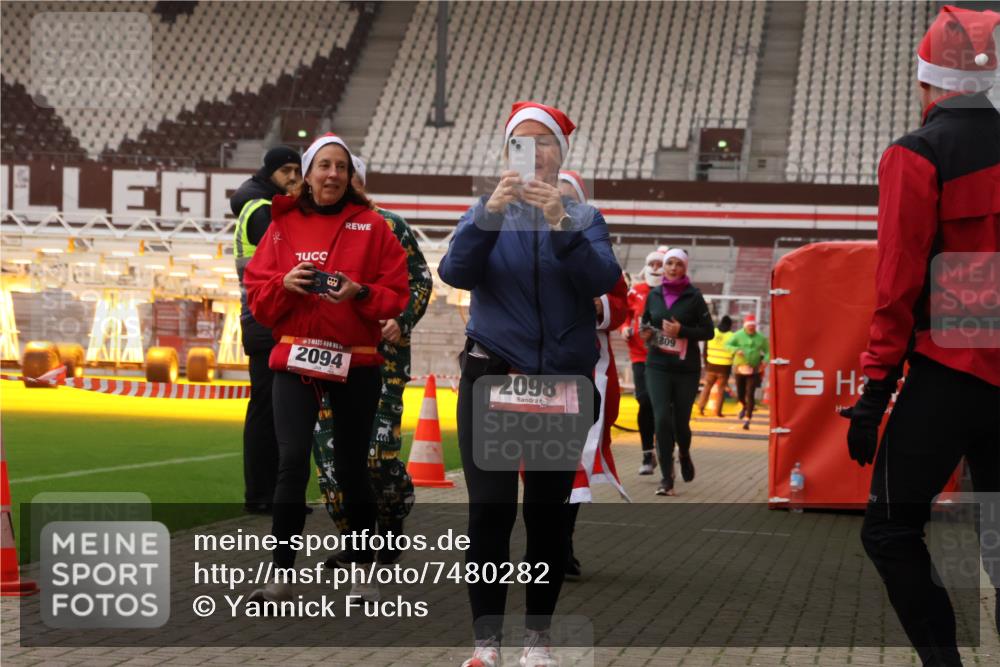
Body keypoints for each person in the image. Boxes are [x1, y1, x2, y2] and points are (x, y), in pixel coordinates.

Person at [840, 6, 1000, 664]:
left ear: (925, 82)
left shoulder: (917, 153)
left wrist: (875, 394)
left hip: (948, 373)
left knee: (890, 529)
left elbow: (899, 285)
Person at [438, 102, 621, 667]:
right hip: (494, 374)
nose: (535, 152)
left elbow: (603, 280)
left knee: (544, 514)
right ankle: (485, 645)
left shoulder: (584, 218)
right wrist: (484, 217)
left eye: (545, 143)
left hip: (559, 384)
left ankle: (537, 640)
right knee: (490, 511)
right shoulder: (486, 211)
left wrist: (561, 223)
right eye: (523, 142)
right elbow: (454, 273)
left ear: (560, 155)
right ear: (506, 154)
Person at [243, 133, 409, 602]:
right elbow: (259, 299)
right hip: (294, 356)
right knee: (291, 462)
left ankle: (361, 571)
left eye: (341, 166)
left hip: (356, 359)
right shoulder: (281, 225)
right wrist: (283, 283)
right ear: (308, 175)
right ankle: (280, 573)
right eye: (323, 166)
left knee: (353, 466)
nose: (332, 174)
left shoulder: (374, 227)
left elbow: (395, 295)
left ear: (350, 175)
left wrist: (360, 293)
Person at [314, 154, 433, 566]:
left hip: (382, 361)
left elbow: (420, 278)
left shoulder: (389, 224)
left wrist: (402, 319)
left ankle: (392, 517)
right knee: (331, 461)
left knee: (375, 455)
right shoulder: (314, 226)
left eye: (344, 173)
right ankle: (355, 539)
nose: (336, 180)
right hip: (323, 360)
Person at [558, 170, 630, 582]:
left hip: (583, 370)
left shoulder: (599, 253)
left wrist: (594, 302)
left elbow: (618, 307)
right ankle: (543, 544)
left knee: (573, 460)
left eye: (572, 199)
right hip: (532, 369)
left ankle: (560, 544)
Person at [229, 146, 301, 514]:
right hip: (266, 319)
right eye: (286, 170)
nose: (293, 177)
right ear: (270, 172)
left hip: (262, 319)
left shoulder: (258, 205)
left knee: (272, 412)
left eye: (297, 170)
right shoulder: (264, 211)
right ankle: (262, 496)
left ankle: (270, 494)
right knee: (270, 413)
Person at [639, 248, 714, 496]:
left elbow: (708, 331)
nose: (672, 268)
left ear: (684, 268)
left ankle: (683, 451)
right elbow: (646, 321)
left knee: (681, 422)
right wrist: (646, 332)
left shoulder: (694, 297)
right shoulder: (654, 294)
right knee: (661, 418)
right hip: (657, 365)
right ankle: (666, 477)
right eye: (668, 263)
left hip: (686, 369)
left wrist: (682, 331)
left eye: (677, 264)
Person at [622, 248, 664, 474]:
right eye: (653, 264)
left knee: (663, 406)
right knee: (644, 401)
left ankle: (667, 448)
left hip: (664, 357)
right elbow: (625, 314)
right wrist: (624, 328)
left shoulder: (671, 292)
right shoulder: (636, 291)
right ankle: (648, 454)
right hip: (639, 355)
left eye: (660, 264)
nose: (656, 268)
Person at [725, 314, 769, 430]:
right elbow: (727, 345)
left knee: (750, 393)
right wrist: (736, 350)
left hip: (754, 369)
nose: (751, 329)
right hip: (739, 368)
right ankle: (744, 406)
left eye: (753, 327)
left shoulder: (761, 338)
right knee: (740, 393)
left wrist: (764, 361)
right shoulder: (738, 335)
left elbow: (768, 351)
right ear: (745, 327)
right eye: (749, 327)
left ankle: (747, 419)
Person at [697, 315, 735, 417]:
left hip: (711, 365)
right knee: (721, 390)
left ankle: (700, 407)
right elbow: (733, 353)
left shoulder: (712, 332)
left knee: (707, 388)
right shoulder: (732, 336)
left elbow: (705, 350)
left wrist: (706, 364)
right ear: (730, 325)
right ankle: (717, 411)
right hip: (724, 367)